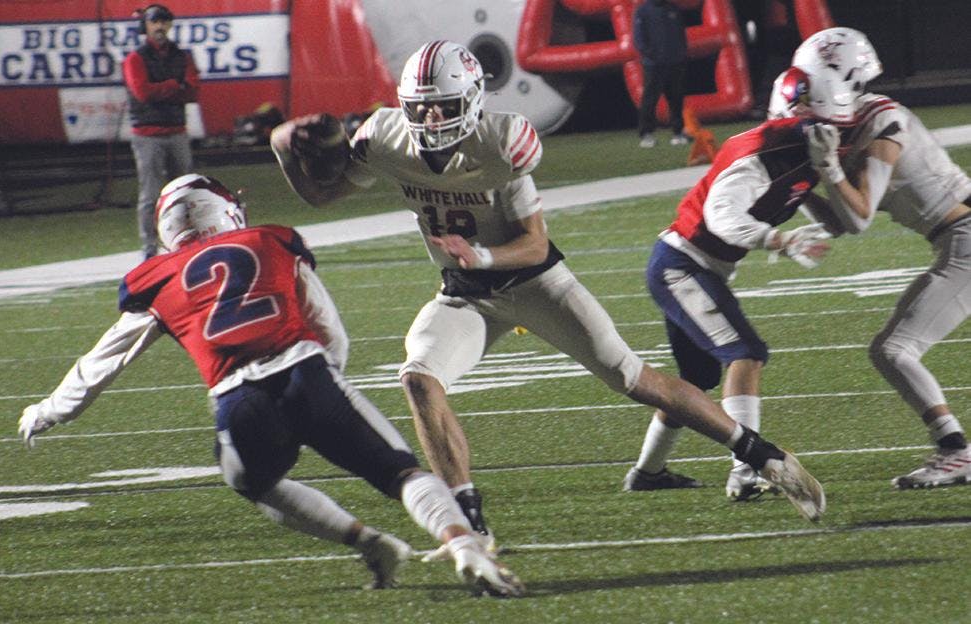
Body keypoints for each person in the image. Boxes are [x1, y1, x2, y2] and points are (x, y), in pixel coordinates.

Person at [269, 40, 827, 549]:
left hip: (536, 284)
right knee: (418, 378)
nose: (430, 117)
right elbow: (322, 198)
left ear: (471, 99)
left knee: (633, 378)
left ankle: (764, 455)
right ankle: (470, 522)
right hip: (464, 295)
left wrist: (482, 255)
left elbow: (534, 245)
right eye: (420, 106)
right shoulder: (385, 137)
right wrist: (282, 151)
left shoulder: (500, 143)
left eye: (442, 105)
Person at [16, 173, 524, 597]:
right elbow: (326, 323)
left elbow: (103, 362)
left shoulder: (157, 278)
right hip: (306, 370)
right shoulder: (268, 240)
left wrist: (50, 410)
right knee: (401, 473)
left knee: (249, 481)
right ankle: (463, 545)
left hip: (238, 398)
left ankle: (368, 542)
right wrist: (330, 377)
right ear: (225, 212)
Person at [623, 66, 846, 500]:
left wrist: (828, 172)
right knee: (746, 354)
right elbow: (721, 218)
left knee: (694, 380)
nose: (822, 118)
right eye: (809, 108)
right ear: (790, 108)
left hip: (695, 265)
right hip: (681, 263)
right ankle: (746, 471)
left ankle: (647, 473)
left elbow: (838, 222)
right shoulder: (758, 152)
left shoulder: (802, 151)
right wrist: (778, 239)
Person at [790, 28, 971, 489]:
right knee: (893, 350)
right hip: (957, 238)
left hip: (966, 236)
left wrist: (825, 168)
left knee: (894, 350)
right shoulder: (858, 124)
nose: (807, 96)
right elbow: (839, 219)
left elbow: (859, 217)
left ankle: (956, 451)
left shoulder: (884, 119)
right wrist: (807, 178)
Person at [122, 4, 200, 260]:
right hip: (148, 133)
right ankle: (149, 249)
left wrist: (164, 89)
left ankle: (185, 242)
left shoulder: (181, 56)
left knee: (185, 192)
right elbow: (142, 93)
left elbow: (191, 91)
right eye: (155, 22)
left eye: (164, 23)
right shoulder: (136, 58)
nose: (160, 27)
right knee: (150, 195)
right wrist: (173, 86)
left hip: (176, 129)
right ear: (146, 26)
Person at [633, 0, 691, 148]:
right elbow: (639, 38)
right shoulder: (643, 11)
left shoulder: (673, 9)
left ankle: (678, 132)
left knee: (676, 99)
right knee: (650, 100)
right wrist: (649, 54)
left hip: (674, 63)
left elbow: (680, 33)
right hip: (654, 65)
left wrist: (682, 54)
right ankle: (646, 134)